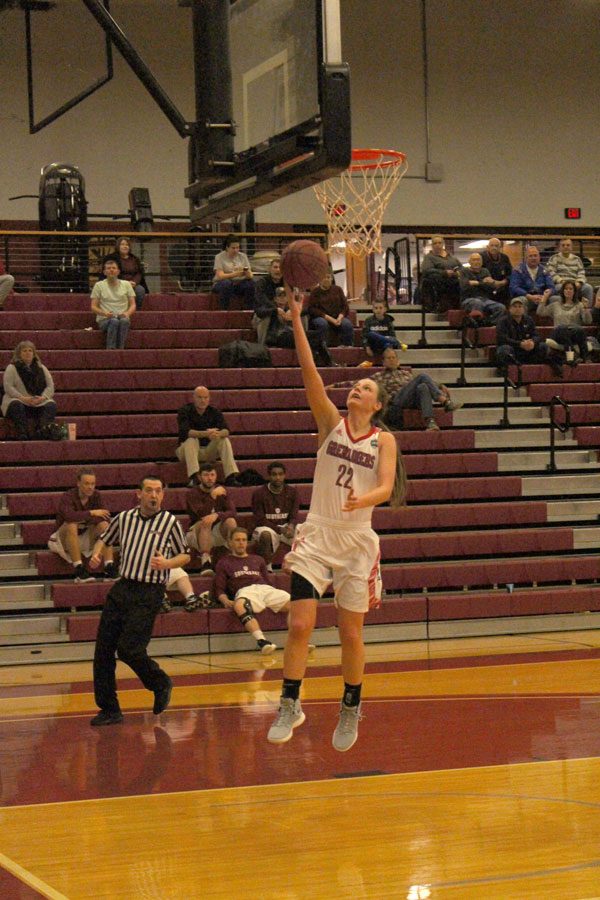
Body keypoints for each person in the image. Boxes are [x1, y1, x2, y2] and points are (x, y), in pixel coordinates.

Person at [267, 284, 407, 752]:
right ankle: (290, 702)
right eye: (356, 384)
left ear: (377, 405)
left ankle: (350, 706)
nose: (357, 388)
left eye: (366, 387)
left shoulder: (382, 440)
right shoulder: (330, 422)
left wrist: (365, 501)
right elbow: (308, 371)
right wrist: (298, 320)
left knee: (350, 632)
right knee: (301, 624)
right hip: (318, 533)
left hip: (357, 539)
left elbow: (387, 486)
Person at [88, 475, 190, 726]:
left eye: (158, 491)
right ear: (139, 493)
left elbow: (185, 556)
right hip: (123, 588)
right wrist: (97, 554)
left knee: (130, 649)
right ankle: (110, 709)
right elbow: (105, 537)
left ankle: (160, 682)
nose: (153, 495)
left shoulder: (169, 522)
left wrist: (167, 563)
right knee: (103, 651)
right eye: (149, 490)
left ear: (162, 496)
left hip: (150, 591)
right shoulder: (125, 518)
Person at [328, 347, 462, 432]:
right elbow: (356, 383)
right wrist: (335, 385)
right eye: (388, 358)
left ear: (398, 361)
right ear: (384, 362)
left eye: (394, 358)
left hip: (411, 399)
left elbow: (421, 381)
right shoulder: (379, 376)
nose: (391, 360)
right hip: (395, 401)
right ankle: (445, 402)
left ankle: (431, 423)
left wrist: (440, 385)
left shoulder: (406, 374)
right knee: (422, 377)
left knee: (422, 386)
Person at [214, 527, 291, 654]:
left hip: (265, 589)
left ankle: (299, 640)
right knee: (239, 606)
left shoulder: (258, 559)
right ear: (230, 542)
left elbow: (267, 581)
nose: (241, 543)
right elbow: (219, 588)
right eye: (237, 540)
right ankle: (262, 641)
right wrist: (225, 599)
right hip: (245, 591)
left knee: (296, 604)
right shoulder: (224, 562)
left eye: (244, 540)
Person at [47, 467, 117, 583]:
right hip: (63, 539)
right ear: (78, 483)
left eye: (93, 484)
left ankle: (109, 566)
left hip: (84, 536)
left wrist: (82, 516)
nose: (90, 487)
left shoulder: (96, 495)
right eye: (87, 484)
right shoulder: (68, 496)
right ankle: (79, 569)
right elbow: (69, 516)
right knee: (71, 524)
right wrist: (91, 513)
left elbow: (104, 516)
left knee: (104, 525)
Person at [176, 386, 241, 487]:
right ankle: (194, 477)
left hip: (207, 451)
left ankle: (230, 476)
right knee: (191, 440)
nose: (203, 400)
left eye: (205, 397)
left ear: (209, 398)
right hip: (187, 451)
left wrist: (217, 434)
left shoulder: (214, 412)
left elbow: (226, 430)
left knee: (224, 440)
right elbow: (187, 432)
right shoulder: (184, 411)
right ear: (194, 398)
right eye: (200, 397)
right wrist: (207, 433)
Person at [186, 462, 237, 576]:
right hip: (196, 533)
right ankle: (205, 561)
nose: (210, 478)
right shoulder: (192, 493)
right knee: (206, 520)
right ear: (199, 477)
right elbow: (201, 514)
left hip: (216, 532)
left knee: (231, 521)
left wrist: (217, 515)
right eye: (206, 475)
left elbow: (233, 512)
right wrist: (212, 497)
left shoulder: (221, 490)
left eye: (212, 475)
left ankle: (234, 556)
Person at [1, 340, 57, 440]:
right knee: (16, 405)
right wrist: (23, 398)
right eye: (24, 351)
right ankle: (23, 433)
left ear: (34, 353)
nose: (27, 353)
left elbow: (50, 386)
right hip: (19, 400)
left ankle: (42, 431)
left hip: (38, 401)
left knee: (51, 405)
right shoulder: (12, 368)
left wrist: (43, 397)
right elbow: (8, 387)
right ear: (19, 354)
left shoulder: (42, 368)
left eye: (30, 350)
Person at [251, 461, 299, 571]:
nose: (278, 477)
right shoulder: (259, 493)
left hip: (285, 527)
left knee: (306, 536)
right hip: (267, 527)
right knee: (265, 535)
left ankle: (301, 569)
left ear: (284, 475)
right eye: (274, 474)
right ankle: (267, 568)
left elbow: (294, 515)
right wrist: (279, 529)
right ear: (269, 476)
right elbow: (260, 520)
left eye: (280, 474)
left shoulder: (293, 492)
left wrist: (291, 526)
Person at [495, 297, 560, 376]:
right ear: (510, 309)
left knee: (543, 346)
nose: (517, 309)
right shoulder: (503, 321)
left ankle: (542, 370)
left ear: (524, 309)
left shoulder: (529, 320)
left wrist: (532, 342)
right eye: (514, 306)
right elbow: (502, 338)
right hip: (513, 349)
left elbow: (536, 335)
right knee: (504, 349)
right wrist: (520, 344)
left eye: (520, 306)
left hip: (527, 350)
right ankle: (507, 372)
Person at [536, 280, 591, 363]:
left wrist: (586, 308)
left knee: (579, 329)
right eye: (566, 289)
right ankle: (576, 356)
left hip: (574, 334)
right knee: (562, 328)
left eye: (570, 289)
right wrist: (544, 298)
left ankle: (582, 358)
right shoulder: (556, 305)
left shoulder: (579, 305)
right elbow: (540, 312)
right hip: (558, 334)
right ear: (563, 291)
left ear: (574, 292)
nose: (568, 291)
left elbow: (588, 321)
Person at [91, 258, 136, 349]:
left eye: (114, 268)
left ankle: (120, 349)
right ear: (104, 272)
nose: (111, 270)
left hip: (122, 317)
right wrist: (105, 313)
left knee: (124, 321)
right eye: (108, 268)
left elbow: (133, 305)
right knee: (114, 321)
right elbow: (93, 307)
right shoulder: (99, 285)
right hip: (105, 320)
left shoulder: (127, 284)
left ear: (118, 271)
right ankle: (111, 350)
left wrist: (127, 314)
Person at [307, 272, 354, 347]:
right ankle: (323, 347)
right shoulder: (315, 292)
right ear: (319, 279)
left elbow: (345, 306)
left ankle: (348, 347)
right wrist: (331, 319)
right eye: (324, 277)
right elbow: (312, 309)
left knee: (347, 324)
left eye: (328, 277)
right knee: (322, 324)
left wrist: (340, 317)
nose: (326, 279)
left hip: (338, 317)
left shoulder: (338, 289)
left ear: (331, 278)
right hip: (321, 317)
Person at [458, 253, 507, 323]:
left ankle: (489, 325)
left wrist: (475, 283)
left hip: (485, 300)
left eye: (478, 260)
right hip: (468, 300)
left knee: (501, 307)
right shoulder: (464, 271)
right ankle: (476, 327)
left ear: (482, 262)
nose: (476, 262)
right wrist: (482, 282)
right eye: (474, 260)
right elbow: (464, 285)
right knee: (477, 303)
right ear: (469, 262)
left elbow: (490, 286)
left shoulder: (485, 271)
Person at [419, 234, 461, 313]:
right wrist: (444, 272)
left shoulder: (451, 257)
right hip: (439, 282)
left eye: (439, 243)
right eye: (435, 243)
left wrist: (458, 272)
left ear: (443, 244)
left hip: (454, 280)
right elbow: (427, 270)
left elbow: (460, 267)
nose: (438, 245)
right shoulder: (429, 257)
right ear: (432, 245)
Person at [212, 233, 255, 310]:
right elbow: (220, 276)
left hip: (239, 283)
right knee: (226, 283)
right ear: (227, 248)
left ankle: (248, 309)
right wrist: (236, 274)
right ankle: (224, 310)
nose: (236, 250)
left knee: (251, 284)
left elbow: (250, 275)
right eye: (233, 248)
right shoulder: (219, 257)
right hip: (222, 283)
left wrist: (246, 273)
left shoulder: (243, 256)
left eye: (237, 248)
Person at [103, 236, 148, 309]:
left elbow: (139, 273)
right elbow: (111, 273)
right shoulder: (111, 258)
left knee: (140, 290)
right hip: (117, 283)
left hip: (133, 284)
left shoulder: (134, 259)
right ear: (118, 246)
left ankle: (135, 310)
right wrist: (125, 283)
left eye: (127, 245)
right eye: (122, 244)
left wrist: (135, 282)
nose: (125, 246)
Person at [509, 246, 554, 315]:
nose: (533, 258)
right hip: (526, 298)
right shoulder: (518, 270)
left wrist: (547, 294)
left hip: (543, 298)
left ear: (539, 257)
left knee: (557, 299)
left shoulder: (545, 270)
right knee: (517, 301)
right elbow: (514, 287)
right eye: (530, 256)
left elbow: (551, 287)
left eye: (535, 256)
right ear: (526, 258)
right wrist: (529, 296)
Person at [546, 238, 594, 303]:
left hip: (575, 284)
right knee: (559, 288)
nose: (565, 247)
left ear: (571, 247)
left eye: (568, 245)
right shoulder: (554, 258)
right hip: (561, 284)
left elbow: (581, 272)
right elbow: (551, 272)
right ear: (559, 247)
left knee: (588, 288)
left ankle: (587, 310)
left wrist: (579, 282)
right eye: (563, 245)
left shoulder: (577, 259)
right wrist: (562, 281)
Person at [253, 257, 284, 344]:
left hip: (283, 313)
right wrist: (275, 309)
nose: (278, 270)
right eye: (275, 267)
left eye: (281, 268)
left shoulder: (287, 283)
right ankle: (261, 347)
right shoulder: (261, 283)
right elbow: (260, 301)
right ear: (269, 269)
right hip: (263, 313)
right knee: (266, 317)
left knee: (302, 316)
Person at [480, 237, 513, 305]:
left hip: (502, 289)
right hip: (486, 290)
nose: (494, 248)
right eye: (492, 245)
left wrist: (502, 282)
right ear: (487, 247)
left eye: (496, 246)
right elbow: (478, 273)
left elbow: (510, 274)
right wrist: (492, 282)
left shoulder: (505, 258)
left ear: (500, 247)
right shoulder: (481, 257)